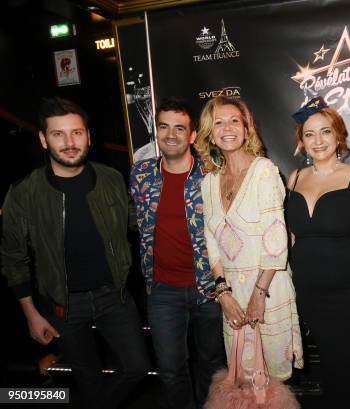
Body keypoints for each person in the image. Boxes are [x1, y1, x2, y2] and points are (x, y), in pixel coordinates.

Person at [1, 97, 149, 409]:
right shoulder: (24, 193)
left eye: (77, 133)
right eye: (58, 134)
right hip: (63, 303)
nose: (70, 143)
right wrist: (31, 314)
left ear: (88, 136)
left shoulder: (111, 178)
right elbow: (13, 258)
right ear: (43, 139)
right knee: (88, 378)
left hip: (116, 295)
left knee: (136, 367)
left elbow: (137, 222)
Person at [286, 97, 350, 408]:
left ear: (339, 136)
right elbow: (290, 239)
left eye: (325, 132)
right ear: (301, 142)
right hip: (309, 294)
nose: (318, 141)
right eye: (309, 134)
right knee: (330, 367)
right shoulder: (294, 179)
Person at [195, 96, 303, 380]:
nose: (227, 127)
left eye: (234, 121)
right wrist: (223, 294)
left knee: (273, 384)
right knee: (243, 380)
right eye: (218, 122)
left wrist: (258, 295)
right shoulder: (208, 182)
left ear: (246, 128)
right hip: (231, 296)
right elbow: (211, 240)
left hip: (267, 289)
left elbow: (277, 239)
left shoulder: (264, 171)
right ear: (210, 133)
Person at [129, 97, 224, 409]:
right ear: (156, 130)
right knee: (170, 370)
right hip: (163, 291)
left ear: (193, 135)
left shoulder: (212, 175)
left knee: (211, 366)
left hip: (209, 290)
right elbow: (138, 226)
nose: (171, 134)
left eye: (180, 128)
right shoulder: (140, 174)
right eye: (164, 126)